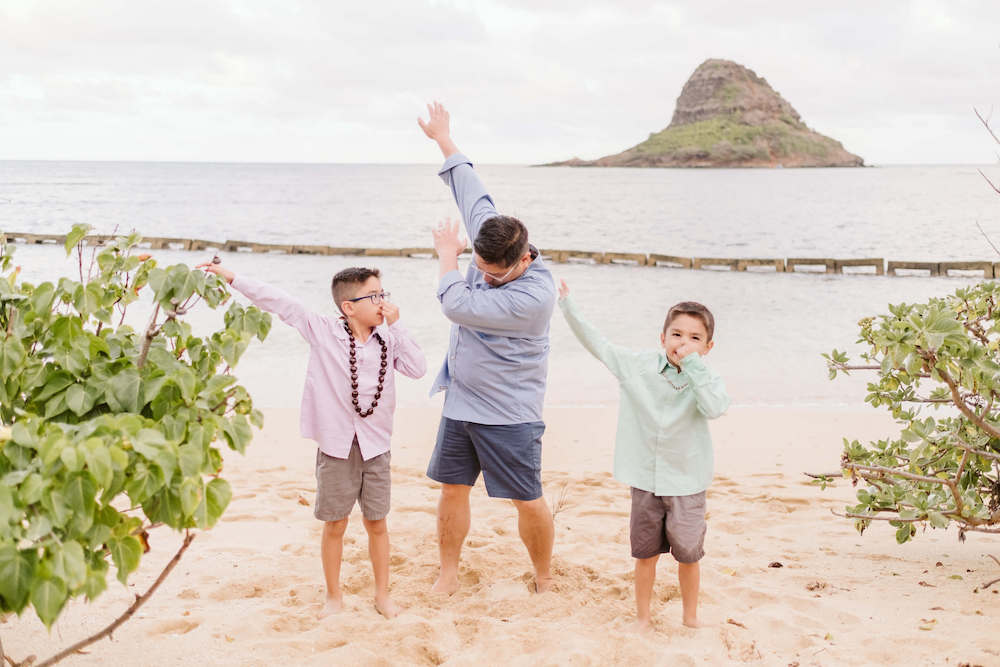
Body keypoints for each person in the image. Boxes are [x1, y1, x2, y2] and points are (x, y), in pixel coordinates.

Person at [198, 260, 426, 619]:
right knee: (335, 522)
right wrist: (232, 277)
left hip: (377, 445)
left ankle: (383, 595)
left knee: (377, 523)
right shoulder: (323, 332)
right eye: (374, 296)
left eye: (384, 294)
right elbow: (280, 302)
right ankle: (333, 596)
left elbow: (418, 368)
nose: (382, 302)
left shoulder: (388, 338)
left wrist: (397, 324)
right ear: (348, 307)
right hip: (336, 445)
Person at [417, 101, 557, 594]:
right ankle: (448, 572)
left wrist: (446, 257)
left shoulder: (533, 297)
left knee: (528, 498)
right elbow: (471, 189)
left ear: (521, 260)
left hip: (510, 411)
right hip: (461, 402)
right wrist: (444, 138)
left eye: (490, 272)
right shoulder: (493, 237)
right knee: (452, 489)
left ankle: (542, 574)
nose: (483, 273)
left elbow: (454, 303)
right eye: (478, 262)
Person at [557, 280, 729, 631]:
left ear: (708, 346)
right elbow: (598, 345)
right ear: (662, 337)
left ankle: (690, 617)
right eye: (677, 334)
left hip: (686, 481)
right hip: (644, 478)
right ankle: (643, 618)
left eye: (695, 338)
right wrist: (567, 305)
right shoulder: (636, 366)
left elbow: (714, 408)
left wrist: (694, 368)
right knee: (645, 552)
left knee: (689, 554)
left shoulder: (707, 376)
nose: (684, 343)